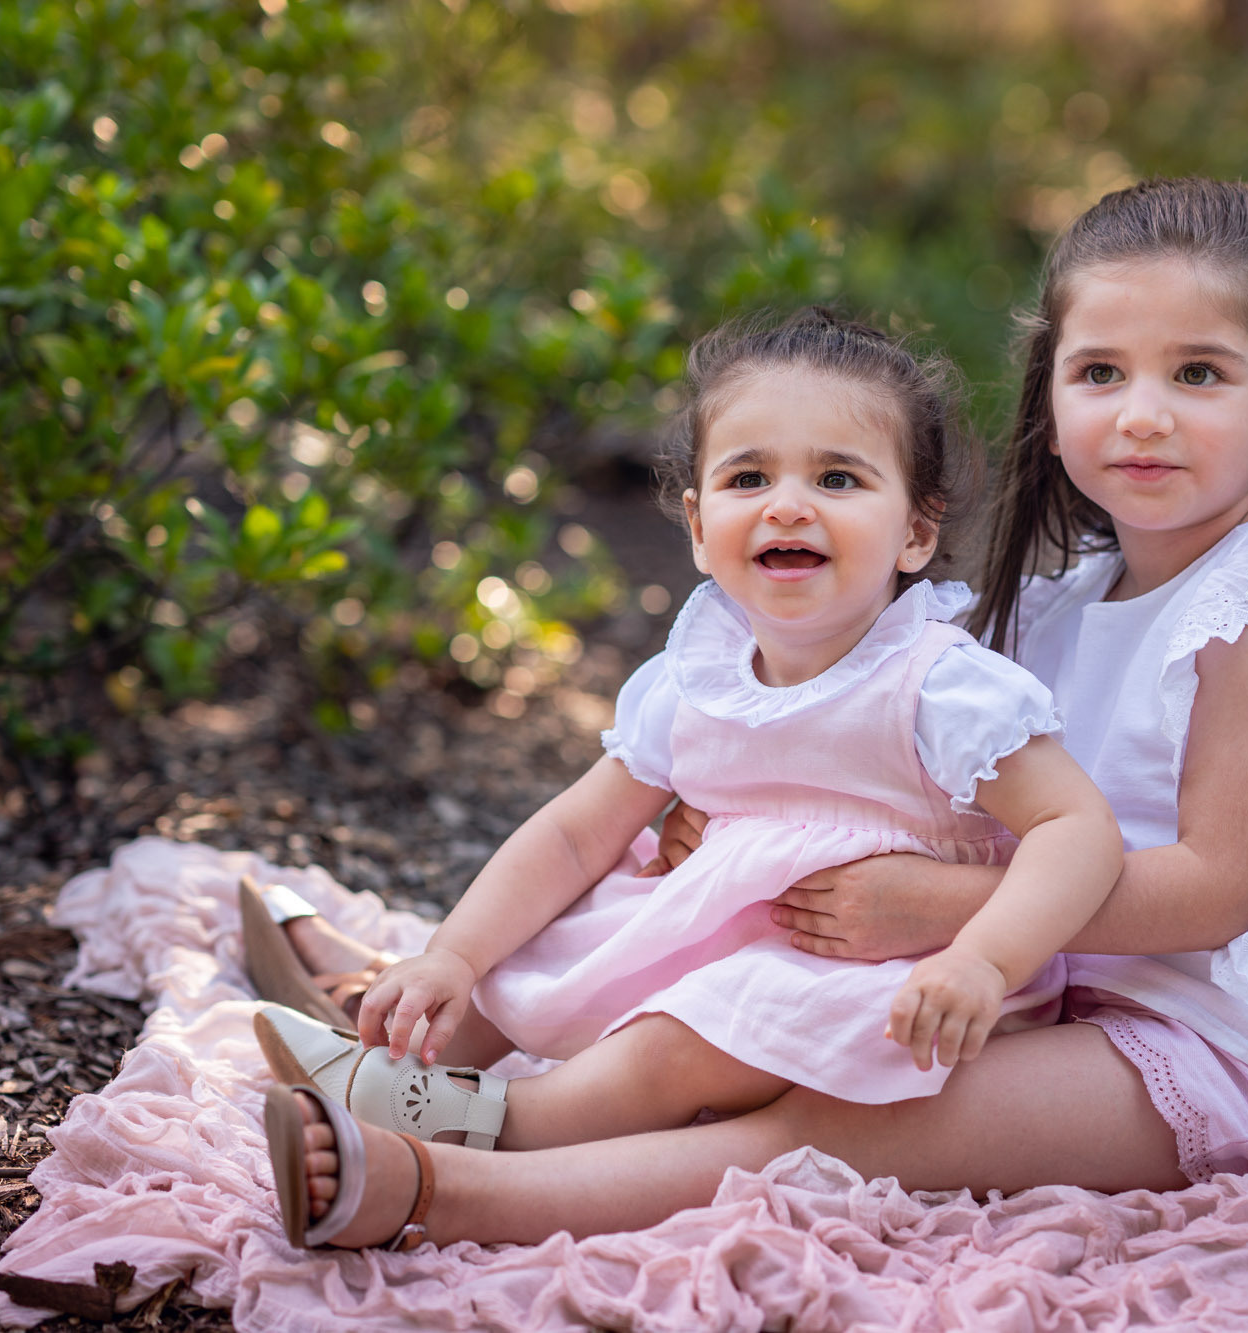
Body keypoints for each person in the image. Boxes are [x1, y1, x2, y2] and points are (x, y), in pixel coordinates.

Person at [254, 176, 1248, 1253]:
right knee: (685, 911)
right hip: (1052, 970)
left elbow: (1210, 892)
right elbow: (913, 762)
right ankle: (418, 1027)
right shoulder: (1067, 600)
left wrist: (940, 910)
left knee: (828, 1122)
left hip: (1226, 1038)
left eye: (1197, 373)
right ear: (1051, 398)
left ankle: (452, 1185)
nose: (1141, 411)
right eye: (1100, 371)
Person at [257, 308, 1127, 1245]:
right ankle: (396, 1060)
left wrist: (983, 958)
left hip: (894, 974)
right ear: (701, 524)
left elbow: (1077, 828)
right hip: (741, 933)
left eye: (838, 477)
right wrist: (455, 957)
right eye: (749, 477)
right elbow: (572, 831)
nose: (787, 504)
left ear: (916, 531)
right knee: (545, 926)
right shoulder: (697, 674)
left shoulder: (937, 684)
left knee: (683, 1035)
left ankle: (494, 1131)